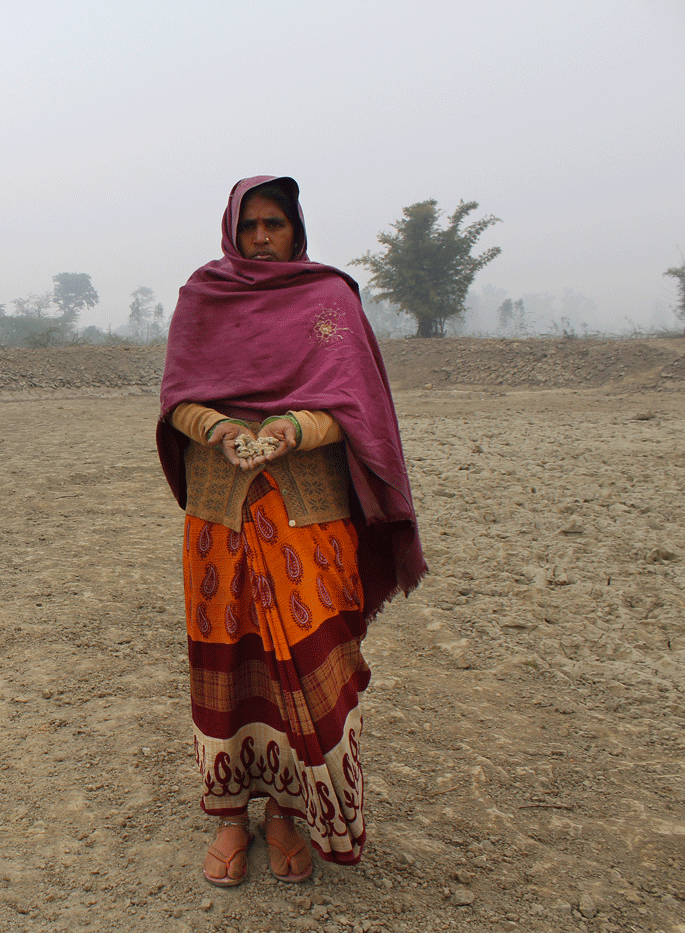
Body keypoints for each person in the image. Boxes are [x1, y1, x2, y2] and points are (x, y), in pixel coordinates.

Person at [156, 175, 426, 886]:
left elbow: (355, 406)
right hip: (221, 512)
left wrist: (288, 430)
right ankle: (226, 812)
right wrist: (214, 426)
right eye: (251, 227)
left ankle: (285, 809)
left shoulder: (328, 300)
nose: (262, 238)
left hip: (309, 508)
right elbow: (178, 397)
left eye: (275, 224)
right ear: (232, 232)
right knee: (229, 653)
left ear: (296, 229)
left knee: (308, 657)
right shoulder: (203, 297)